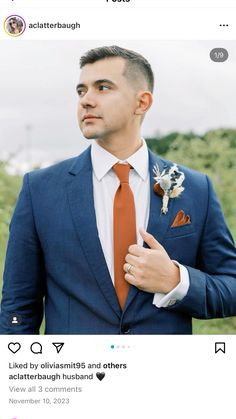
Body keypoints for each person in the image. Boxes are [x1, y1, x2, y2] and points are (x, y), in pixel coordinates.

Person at [0, 45, 236, 335]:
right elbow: (17, 308)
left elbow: (231, 287)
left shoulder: (196, 188)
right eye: (81, 90)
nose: (86, 100)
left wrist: (176, 280)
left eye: (102, 87)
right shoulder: (39, 190)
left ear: (142, 102)